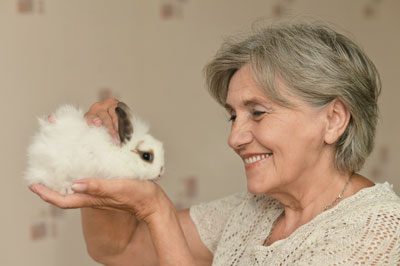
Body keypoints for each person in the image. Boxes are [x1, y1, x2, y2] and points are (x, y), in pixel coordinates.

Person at [29, 21, 400, 265]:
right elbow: (119, 248)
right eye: (233, 115)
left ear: (333, 120)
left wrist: (157, 210)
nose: (234, 137)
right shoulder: (254, 211)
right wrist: (102, 154)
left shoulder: (378, 234)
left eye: (257, 113)